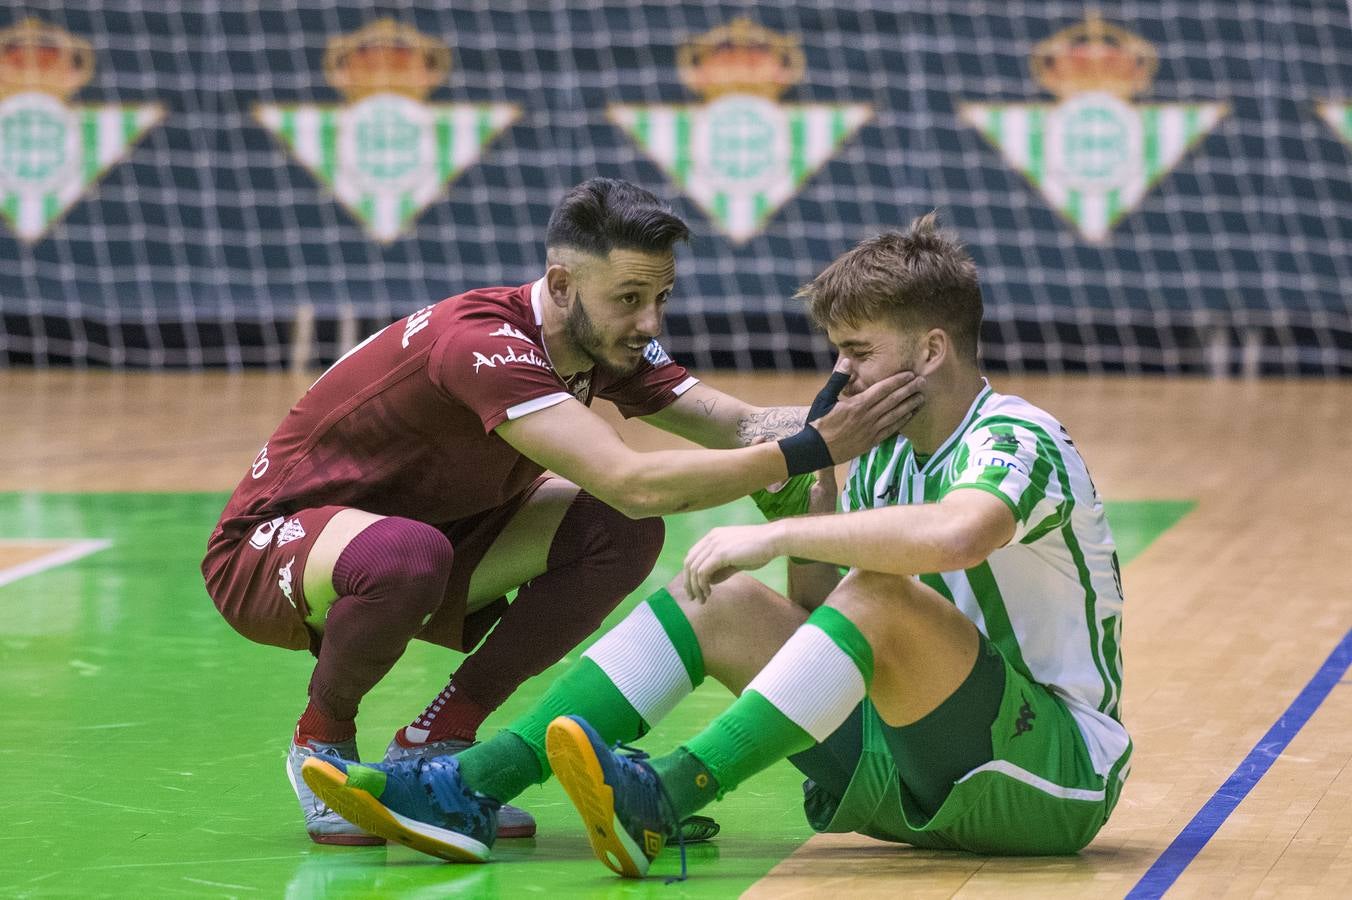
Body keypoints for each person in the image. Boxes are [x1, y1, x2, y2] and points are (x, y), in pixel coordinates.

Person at [299, 212, 1129, 877]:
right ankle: (470, 789)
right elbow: (819, 628)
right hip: (904, 769)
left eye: (858, 353)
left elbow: (956, 535)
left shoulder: (1017, 433)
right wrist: (819, 489)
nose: (840, 378)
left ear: (932, 350)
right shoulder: (874, 451)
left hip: (1047, 778)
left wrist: (782, 531)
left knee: (876, 585)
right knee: (721, 601)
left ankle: (665, 794)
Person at [201, 178, 923, 847]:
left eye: (661, 298)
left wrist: (871, 413)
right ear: (560, 284)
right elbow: (633, 478)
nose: (649, 321)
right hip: (271, 553)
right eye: (631, 298)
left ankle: (439, 743)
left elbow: (739, 427)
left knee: (619, 532)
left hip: (436, 543)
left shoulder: (602, 340)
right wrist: (808, 451)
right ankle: (320, 741)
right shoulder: (484, 343)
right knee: (420, 552)